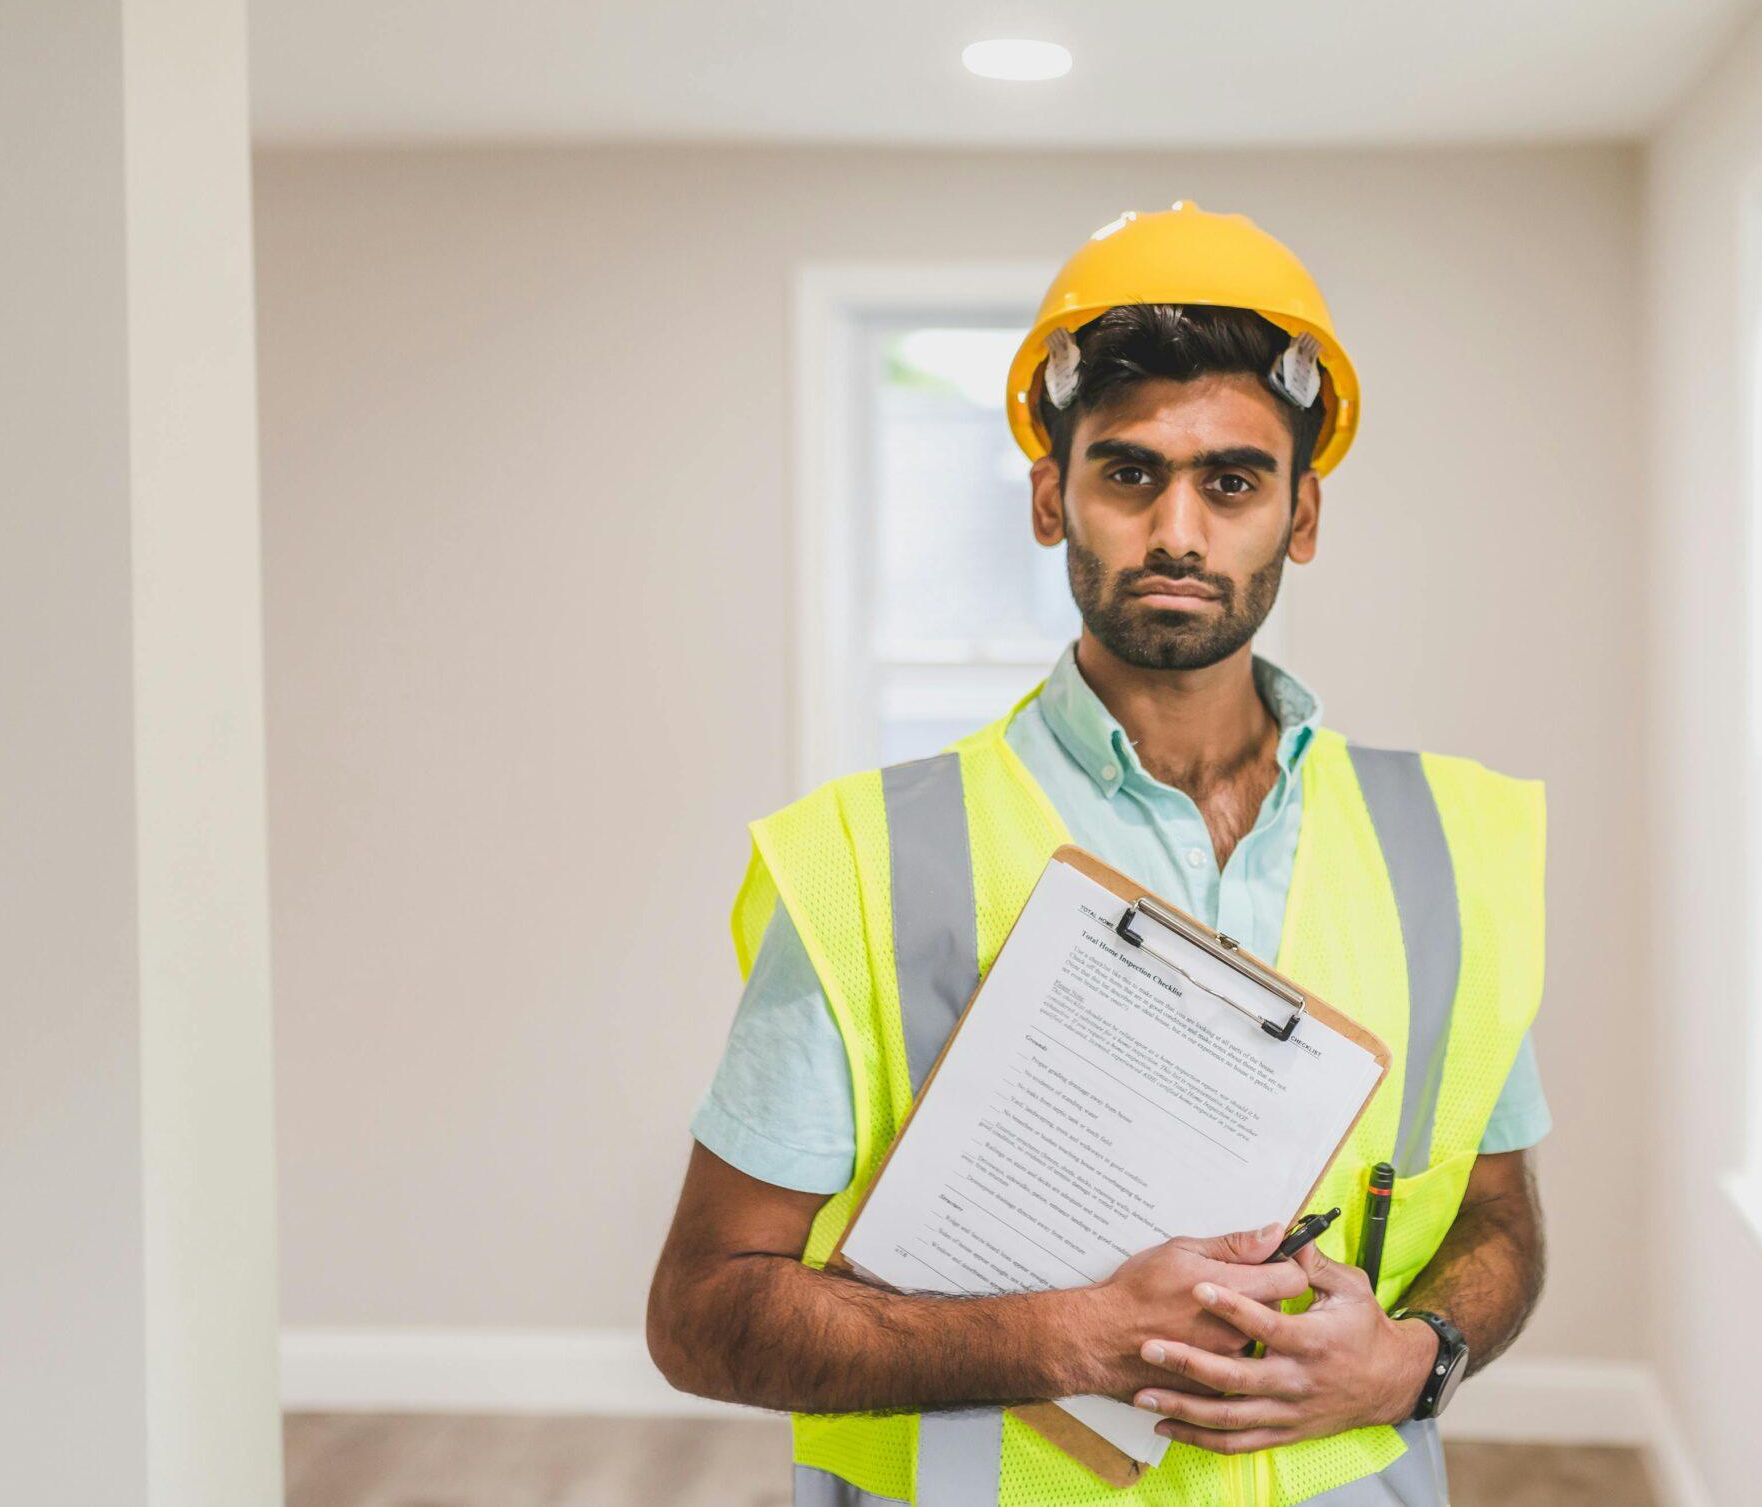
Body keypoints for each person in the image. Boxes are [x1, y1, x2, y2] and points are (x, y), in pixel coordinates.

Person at [646, 201, 1550, 1506]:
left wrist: (1419, 1358)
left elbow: (1498, 1222)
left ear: (1301, 515)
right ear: (1048, 496)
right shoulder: (867, 858)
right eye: (1130, 473)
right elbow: (703, 1312)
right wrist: (1067, 1338)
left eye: (1232, 481)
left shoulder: (1452, 846)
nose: (1178, 531)